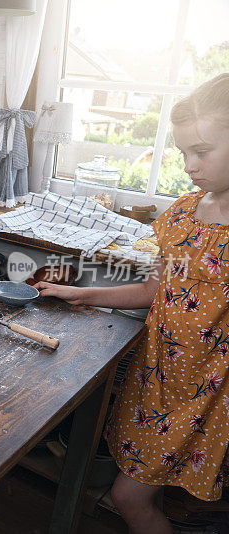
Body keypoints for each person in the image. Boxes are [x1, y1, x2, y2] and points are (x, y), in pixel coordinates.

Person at [34, 73, 229, 533]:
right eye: (183, 152)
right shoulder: (183, 212)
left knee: (127, 496)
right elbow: (152, 290)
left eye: (202, 152)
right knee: (141, 487)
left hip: (207, 392)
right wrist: (84, 294)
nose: (189, 165)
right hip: (157, 379)